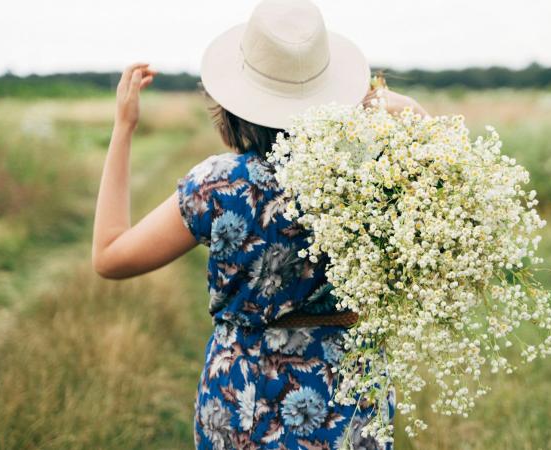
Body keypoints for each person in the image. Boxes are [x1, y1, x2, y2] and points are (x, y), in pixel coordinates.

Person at [91, 0, 427, 448]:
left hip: (244, 402)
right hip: (350, 401)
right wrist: (391, 105)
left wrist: (123, 126)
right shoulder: (375, 175)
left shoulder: (221, 184)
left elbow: (110, 256)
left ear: (232, 103)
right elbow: (448, 170)